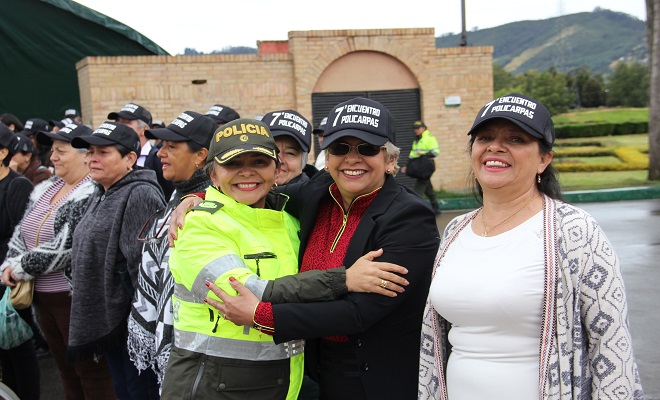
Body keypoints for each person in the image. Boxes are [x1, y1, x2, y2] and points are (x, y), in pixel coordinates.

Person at [184, 97, 439, 399]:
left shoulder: (410, 217)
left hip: (376, 375)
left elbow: (359, 312)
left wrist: (263, 315)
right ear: (327, 159)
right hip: (319, 367)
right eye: (340, 148)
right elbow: (256, 189)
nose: (352, 158)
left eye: (367, 148)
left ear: (390, 160)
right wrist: (198, 197)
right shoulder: (318, 192)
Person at [418, 93, 644, 400]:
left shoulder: (575, 231)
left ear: (543, 159)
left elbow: (612, 344)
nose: (495, 147)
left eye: (516, 139)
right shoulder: (456, 230)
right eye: (485, 137)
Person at [160, 117, 313, 399]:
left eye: (259, 162)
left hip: (281, 385)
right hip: (209, 389)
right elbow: (253, 293)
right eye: (233, 163)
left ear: (276, 169)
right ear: (213, 175)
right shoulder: (196, 223)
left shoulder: (291, 218)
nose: (247, 172)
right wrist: (346, 279)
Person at [1, 122, 117, 399]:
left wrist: (20, 266)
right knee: (66, 370)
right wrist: (9, 262)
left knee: (92, 373)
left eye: (61, 151)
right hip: (43, 298)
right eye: (52, 150)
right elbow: (22, 230)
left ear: (86, 155)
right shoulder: (47, 188)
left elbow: (68, 246)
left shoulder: (94, 191)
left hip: (74, 299)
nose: (52, 157)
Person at [69, 122, 166, 400]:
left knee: (140, 393)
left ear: (130, 159)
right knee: (123, 391)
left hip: (130, 323)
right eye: (91, 152)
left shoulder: (140, 193)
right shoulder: (103, 190)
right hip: (109, 319)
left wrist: (141, 328)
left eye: (103, 152)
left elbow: (142, 267)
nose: (92, 158)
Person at [126, 111, 217, 386]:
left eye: (172, 147)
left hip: (195, 345)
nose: (160, 153)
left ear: (200, 155)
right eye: (162, 145)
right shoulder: (179, 194)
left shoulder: (211, 203)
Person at [0, 125, 38, 400]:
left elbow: (23, 236)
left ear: (3, 153)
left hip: (9, 282)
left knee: (18, 350)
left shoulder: (18, 186)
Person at [108, 103, 174, 199]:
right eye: (117, 123)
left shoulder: (159, 159)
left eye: (126, 123)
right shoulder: (112, 158)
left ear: (144, 129)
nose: (119, 127)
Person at [260, 109, 317, 185]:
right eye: (270, 150)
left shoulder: (319, 192)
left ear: (303, 161)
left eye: (290, 153)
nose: (279, 160)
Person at [404, 120, 441, 214]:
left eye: (418, 128)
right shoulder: (417, 139)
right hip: (420, 166)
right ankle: (435, 207)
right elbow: (412, 154)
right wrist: (407, 166)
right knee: (428, 188)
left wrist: (423, 154)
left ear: (424, 128)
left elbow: (435, 152)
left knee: (418, 189)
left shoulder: (429, 138)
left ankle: (415, 209)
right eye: (414, 128)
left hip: (426, 167)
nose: (416, 130)